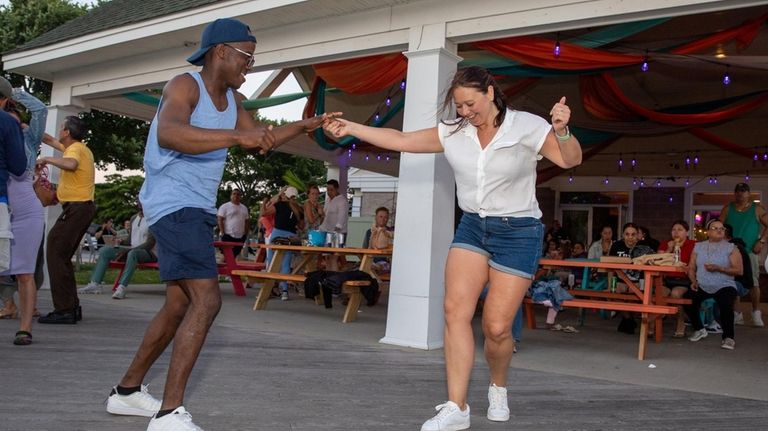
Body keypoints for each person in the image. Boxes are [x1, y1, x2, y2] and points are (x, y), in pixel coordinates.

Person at [103, 18, 335, 431]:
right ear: (221, 52)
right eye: (248, 57)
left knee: (179, 304)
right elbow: (171, 134)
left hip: (193, 207)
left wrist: (304, 126)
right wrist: (235, 139)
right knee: (207, 301)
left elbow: (260, 137)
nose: (251, 65)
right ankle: (169, 412)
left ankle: (127, 392)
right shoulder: (185, 85)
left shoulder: (233, 100)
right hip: (174, 204)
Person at [324, 65, 581, 431]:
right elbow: (401, 139)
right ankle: (457, 407)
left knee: (495, 328)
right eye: (459, 106)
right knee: (454, 311)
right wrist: (351, 128)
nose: (465, 112)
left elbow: (570, 159)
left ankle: (498, 386)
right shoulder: (454, 131)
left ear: (491, 92)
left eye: (470, 104)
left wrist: (562, 131)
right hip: (474, 227)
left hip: (518, 231)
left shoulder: (526, 125)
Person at [36, 115, 96, 325]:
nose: (59, 132)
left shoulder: (75, 150)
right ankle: (71, 307)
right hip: (80, 209)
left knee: (55, 251)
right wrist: (28, 127)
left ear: (67, 132)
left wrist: (46, 159)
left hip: (77, 208)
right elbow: (50, 140)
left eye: (61, 128)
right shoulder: (79, 147)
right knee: (61, 254)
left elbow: (70, 164)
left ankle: (65, 309)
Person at [0, 77, 35, 344]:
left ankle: (25, 327)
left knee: (24, 271)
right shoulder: (7, 124)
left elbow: (22, 169)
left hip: (24, 210)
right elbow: (17, 166)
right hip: (5, 203)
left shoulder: (26, 136)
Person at [684, 219, 740, 350]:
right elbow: (691, 267)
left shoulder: (731, 247)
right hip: (702, 284)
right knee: (687, 298)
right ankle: (699, 328)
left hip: (724, 284)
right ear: (708, 232)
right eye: (715, 228)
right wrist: (693, 281)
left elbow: (739, 270)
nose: (720, 230)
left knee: (726, 304)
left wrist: (719, 268)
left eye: (722, 228)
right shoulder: (698, 246)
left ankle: (728, 337)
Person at [79, 205, 153, 299]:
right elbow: (130, 241)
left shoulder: (153, 218)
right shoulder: (134, 218)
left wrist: (129, 250)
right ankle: (95, 284)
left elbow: (150, 243)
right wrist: (121, 241)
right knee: (105, 250)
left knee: (132, 253)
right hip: (131, 249)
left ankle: (122, 287)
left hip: (148, 252)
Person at [720, 182, 765, 327]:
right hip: (731, 250)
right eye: (738, 191)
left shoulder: (756, 209)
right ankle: (736, 313)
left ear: (749, 193)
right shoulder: (728, 209)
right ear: (735, 193)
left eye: (744, 191)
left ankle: (756, 313)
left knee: (753, 282)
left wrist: (762, 241)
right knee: (732, 281)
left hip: (750, 250)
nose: (741, 193)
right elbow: (718, 227)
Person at [609, 222, 654, 334]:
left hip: (639, 280)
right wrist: (609, 284)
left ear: (637, 235)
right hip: (620, 280)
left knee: (637, 294)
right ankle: (628, 318)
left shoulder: (644, 247)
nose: (630, 237)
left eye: (633, 234)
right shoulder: (616, 246)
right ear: (623, 235)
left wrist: (642, 283)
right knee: (612, 293)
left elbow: (650, 266)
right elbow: (609, 267)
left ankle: (627, 320)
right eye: (627, 234)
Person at [260, 186, 303, 300]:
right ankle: (284, 291)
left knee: (271, 261)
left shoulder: (279, 205)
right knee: (285, 263)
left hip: (277, 234)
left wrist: (264, 202)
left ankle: (268, 289)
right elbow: (301, 226)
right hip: (291, 236)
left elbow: (264, 213)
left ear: (285, 195)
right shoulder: (299, 208)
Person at [657, 220, 696, 337]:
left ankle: (680, 322)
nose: (676, 233)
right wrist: (669, 250)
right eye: (674, 230)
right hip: (667, 279)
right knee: (659, 293)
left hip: (684, 280)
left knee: (675, 293)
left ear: (687, 232)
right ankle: (655, 323)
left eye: (680, 230)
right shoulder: (665, 244)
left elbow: (694, 264)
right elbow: (658, 262)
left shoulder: (693, 244)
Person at [217, 188, 250, 257]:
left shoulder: (244, 208)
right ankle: (219, 268)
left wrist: (245, 234)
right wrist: (223, 233)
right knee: (225, 256)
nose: (236, 196)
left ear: (240, 196)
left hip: (240, 237)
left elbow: (247, 221)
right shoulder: (225, 206)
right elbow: (220, 220)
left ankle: (231, 268)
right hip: (227, 235)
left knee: (234, 256)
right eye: (234, 194)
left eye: (238, 194)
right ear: (231, 195)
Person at [363, 206, 394, 274]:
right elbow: (365, 249)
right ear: (376, 217)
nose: (383, 219)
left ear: (388, 219)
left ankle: (376, 267)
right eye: (381, 216)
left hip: (386, 261)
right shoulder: (370, 232)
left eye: (385, 217)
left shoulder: (391, 232)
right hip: (371, 260)